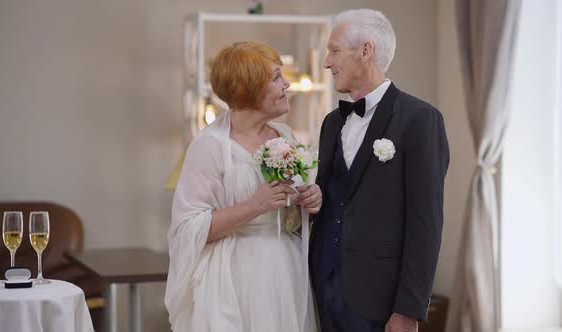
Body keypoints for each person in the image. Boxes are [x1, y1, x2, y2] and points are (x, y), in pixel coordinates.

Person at [306, 9, 450, 332]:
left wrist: (408, 310)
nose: (327, 62)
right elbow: (331, 199)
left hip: (380, 300)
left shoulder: (420, 120)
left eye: (334, 50)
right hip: (323, 287)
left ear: (365, 51)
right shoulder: (331, 123)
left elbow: (425, 223)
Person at [165, 41, 322, 332]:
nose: (286, 84)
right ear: (249, 88)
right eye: (276, 77)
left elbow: (290, 215)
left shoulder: (285, 136)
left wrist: (309, 201)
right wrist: (254, 206)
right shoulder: (210, 146)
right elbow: (187, 227)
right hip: (234, 277)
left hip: (284, 271)